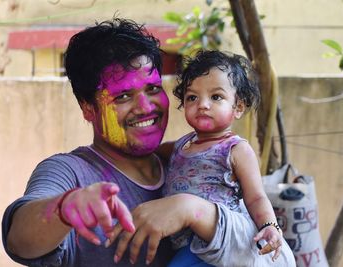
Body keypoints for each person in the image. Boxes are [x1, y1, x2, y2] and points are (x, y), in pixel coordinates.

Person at [1, 18, 218, 266]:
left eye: (153, 89)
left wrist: (189, 209)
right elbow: (19, 239)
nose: (146, 107)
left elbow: (258, 241)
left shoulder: (187, 160)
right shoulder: (71, 172)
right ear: (88, 109)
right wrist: (65, 208)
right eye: (123, 96)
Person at [108, 50, 296, 267]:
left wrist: (269, 226)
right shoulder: (180, 145)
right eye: (192, 97)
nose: (203, 104)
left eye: (216, 97)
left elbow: (256, 198)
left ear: (238, 107)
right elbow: (150, 152)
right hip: (182, 243)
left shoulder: (235, 150)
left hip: (214, 248)